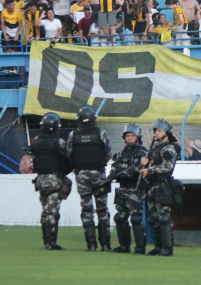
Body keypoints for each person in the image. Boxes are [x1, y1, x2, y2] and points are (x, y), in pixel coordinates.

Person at [66, 105, 112, 252]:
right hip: (99, 174)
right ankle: (105, 245)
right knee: (102, 209)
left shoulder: (73, 135)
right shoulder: (101, 133)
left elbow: (69, 153)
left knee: (86, 209)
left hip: (82, 175)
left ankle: (91, 244)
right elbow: (109, 152)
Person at [28, 112, 70, 251]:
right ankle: (50, 243)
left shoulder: (36, 141)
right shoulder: (58, 142)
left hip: (40, 179)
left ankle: (47, 241)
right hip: (53, 179)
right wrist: (63, 171)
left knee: (45, 210)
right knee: (52, 211)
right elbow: (69, 158)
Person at [139, 119, 179, 257]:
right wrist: (144, 163)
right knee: (153, 219)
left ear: (167, 133)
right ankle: (158, 247)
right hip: (152, 186)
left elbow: (167, 167)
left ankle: (167, 248)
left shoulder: (169, 148)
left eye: (159, 130)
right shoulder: (155, 148)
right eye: (155, 130)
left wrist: (149, 170)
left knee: (163, 218)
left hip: (163, 186)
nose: (156, 133)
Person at [108, 124, 149, 254]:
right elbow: (115, 166)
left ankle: (140, 247)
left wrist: (122, 173)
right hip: (122, 189)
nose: (129, 138)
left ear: (138, 137)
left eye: (132, 136)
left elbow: (137, 169)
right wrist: (112, 175)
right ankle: (124, 246)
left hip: (134, 189)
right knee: (120, 218)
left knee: (136, 219)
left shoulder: (142, 152)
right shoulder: (122, 152)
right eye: (127, 136)